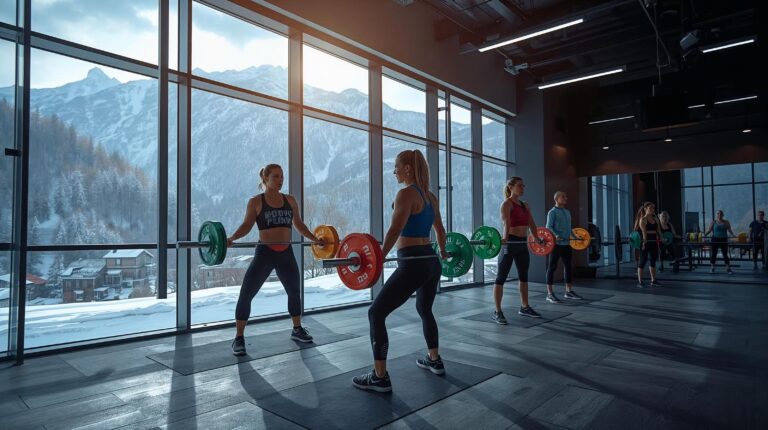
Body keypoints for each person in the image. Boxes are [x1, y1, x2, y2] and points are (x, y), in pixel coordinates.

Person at [352, 149, 448, 393]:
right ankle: (434, 359)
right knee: (424, 309)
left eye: (396, 166)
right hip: (431, 262)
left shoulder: (405, 194)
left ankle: (379, 377)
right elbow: (440, 231)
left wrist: (379, 257)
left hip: (413, 263)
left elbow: (395, 230)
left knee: (376, 313)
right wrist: (444, 252)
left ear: (407, 169)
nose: (394, 171)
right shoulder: (430, 197)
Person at [228, 163, 322, 356]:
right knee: (246, 293)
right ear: (266, 179)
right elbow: (246, 226)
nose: (280, 180)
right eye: (276, 177)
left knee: (294, 291)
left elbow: (299, 225)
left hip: (285, 253)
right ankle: (239, 338)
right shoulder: (256, 202)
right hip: (265, 253)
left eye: (282, 177)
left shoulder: (290, 200)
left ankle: (297, 329)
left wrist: (315, 239)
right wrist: (231, 239)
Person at [492, 177, 545, 322]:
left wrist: (537, 238)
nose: (523, 188)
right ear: (511, 187)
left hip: (522, 244)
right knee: (500, 277)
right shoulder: (506, 204)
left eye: (524, 186)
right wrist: (504, 240)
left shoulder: (525, 205)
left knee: (524, 276)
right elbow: (506, 224)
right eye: (520, 186)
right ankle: (497, 311)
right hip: (510, 242)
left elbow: (532, 224)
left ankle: (525, 307)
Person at [545, 191, 582, 303]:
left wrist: (575, 237)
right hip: (556, 245)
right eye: (563, 196)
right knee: (552, 268)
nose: (566, 198)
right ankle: (550, 294)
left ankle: (568, 291)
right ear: (556, 199)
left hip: (567, 244)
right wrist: (556, 235)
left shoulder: (567, 212)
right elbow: (548, 227)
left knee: (568, 267)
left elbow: (569, 228)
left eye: (565, 196)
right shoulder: (552, 212)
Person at [634, 202, 662, 287]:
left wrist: (661, 238)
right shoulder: (643, 219)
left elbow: (659, 231)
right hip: (645, 242)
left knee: (653, 260)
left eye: (653, 208)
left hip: (653, 241)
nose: (652, 210)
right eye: (650, 208)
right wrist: (644, 242)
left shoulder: (656, 219)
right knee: (643, 261)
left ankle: (653, 280)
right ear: (646, 209)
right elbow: (644, 232)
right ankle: (640, 282)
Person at [705, 210, 736, 274]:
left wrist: (733, 235)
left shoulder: (726, 222)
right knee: (714, 254)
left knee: (725, 254)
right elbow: (709, 230)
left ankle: (728, 268)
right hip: (715, 239)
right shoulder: (713, 222)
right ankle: (712, 267)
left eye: (720, 214)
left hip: (723, 239)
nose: (719, 215)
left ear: (723, 215)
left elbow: (729, 230)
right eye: (718, 214)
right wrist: (704, 235)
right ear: (717, 215)